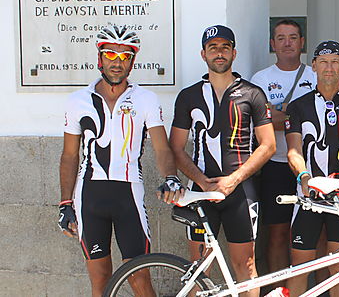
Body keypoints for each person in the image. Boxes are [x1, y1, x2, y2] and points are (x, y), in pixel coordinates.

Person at [58, 24, 184, 296]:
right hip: (89, 196)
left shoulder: (146, 99)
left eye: (124, 56)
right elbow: (69, 156)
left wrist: (171, 177)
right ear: (100, 58)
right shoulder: (78, 101)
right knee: (100, 280)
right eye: (111, 56)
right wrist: (65, 203)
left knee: (139, 277)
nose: (117, 62)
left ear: (132, 61)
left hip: (129, 194)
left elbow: (161, 148)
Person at [169, 25, 276, 297]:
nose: (219, 53)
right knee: (197, 269)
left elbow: (268, 145)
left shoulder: (252, 93)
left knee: (246, 265)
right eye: (213, 48)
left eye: (225, 47)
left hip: (240, 192)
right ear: (203, 54)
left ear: (234, 52)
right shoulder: (188, 96)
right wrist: (201, 181)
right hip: (200, 192)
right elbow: (176, 147)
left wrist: (233, 180)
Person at [285, 41, 339, 297]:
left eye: (335, 62)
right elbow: (293, 151)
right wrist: (304, 177)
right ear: (313, 66)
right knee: (300, 266)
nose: (329, 67)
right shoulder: (298, 107)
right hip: (308, 195)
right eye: (323, 62)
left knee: (338, 265)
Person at [250, 19, 316, 280]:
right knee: (277, 233)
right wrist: (295, 115)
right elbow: (262, 122)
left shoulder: (315, 74)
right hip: (274, 165)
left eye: (293, 37)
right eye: (281, 38)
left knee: (313, 233)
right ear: (272, 44)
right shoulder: (261, 78)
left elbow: (318, 118)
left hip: (310, 166)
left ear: (302, 42)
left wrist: (282, 115)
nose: (287, 43)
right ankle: (281, 290)